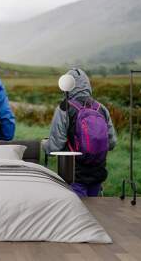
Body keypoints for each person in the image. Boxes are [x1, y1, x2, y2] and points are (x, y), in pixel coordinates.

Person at [42, 68, 117, 197]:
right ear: (88, 85)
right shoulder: (101, 108)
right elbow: (111, 143)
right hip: (98, 173)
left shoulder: (64, 108)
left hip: (74, 175)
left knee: (77, 213)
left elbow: (55, 146)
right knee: (96, 213)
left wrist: (44, 144)